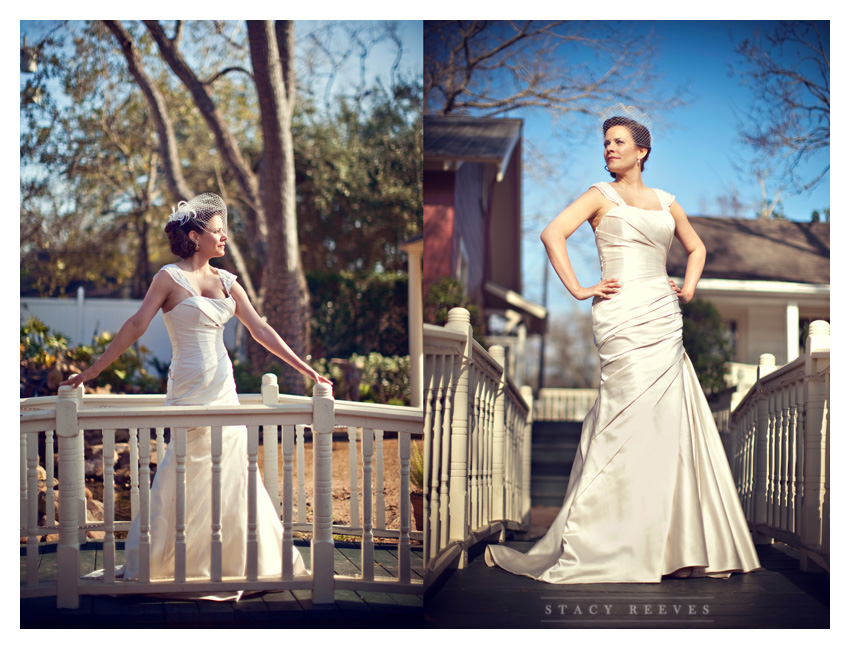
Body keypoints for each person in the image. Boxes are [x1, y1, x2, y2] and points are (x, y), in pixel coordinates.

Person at [485, 106, 761, 583]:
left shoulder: (667, 201)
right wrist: (578, 288)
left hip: (662, 313)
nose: (609, 149)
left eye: (618, 142)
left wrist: (689, 289)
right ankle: (608, 538)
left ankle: (672, 542)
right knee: (622, 418)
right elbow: (553, 233)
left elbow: (697, 248)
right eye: (606, 143)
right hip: (620, 314)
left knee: (665, 422)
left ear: (642, 151)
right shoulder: (599, 196)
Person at [62, 193, 331, 594]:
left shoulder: (227, 281)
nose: (225, 239)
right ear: (195, 234)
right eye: (219, 231)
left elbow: (261, 330)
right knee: (183, 472)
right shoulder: (168, 278)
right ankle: (166, 562)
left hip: (224, 389)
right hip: (188, 388)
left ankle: (245, 563)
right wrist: (89, 372)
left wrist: (308, 370)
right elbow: (136, 326)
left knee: (236, 472)